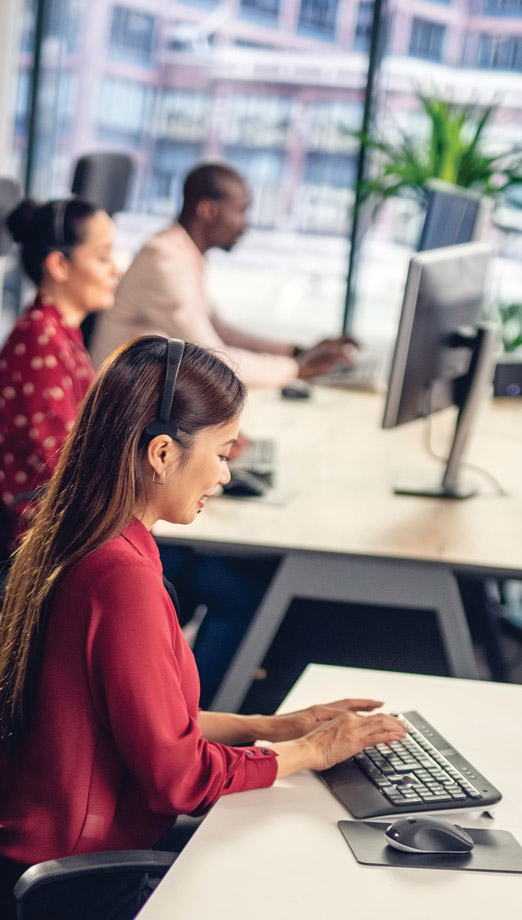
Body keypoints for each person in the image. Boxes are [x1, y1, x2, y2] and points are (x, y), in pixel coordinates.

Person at [0, 336, 405, 918]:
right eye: (221, 452)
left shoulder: (82, 536)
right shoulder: (120, 578)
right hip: (82, 885)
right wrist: (313, 750)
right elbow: (179, 778)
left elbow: (150, 726)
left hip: (46, 857)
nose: (225, 473)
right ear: (162, 453)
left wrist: (273, 727)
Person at [89, 162, 354, 385]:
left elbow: (220, 331)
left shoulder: (180, 252)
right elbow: (213, 358)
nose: (246, 224)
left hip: (136, 393)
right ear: (208, 210)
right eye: (240, 210)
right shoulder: (164, 261)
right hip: (117, 405)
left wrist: (295, 352)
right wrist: (296, 368)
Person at [0, 197, 119, 553]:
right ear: (60, 265)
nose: (115, 270)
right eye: (103, 257)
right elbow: (65, 459)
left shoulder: (58, 330)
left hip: (67, 521)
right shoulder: (39, 337)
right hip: (44, 537)